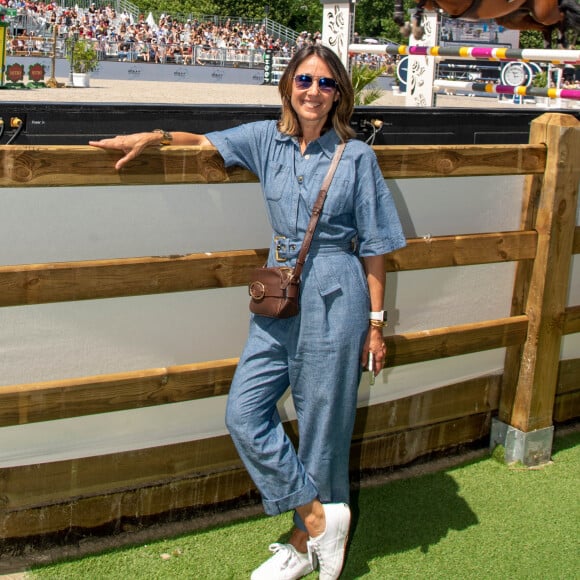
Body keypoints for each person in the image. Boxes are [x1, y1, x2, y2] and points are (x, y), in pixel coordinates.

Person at [89, 44, 406, 580]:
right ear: (288, 86)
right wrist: (154, 136)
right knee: (243, 411)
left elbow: (375, 247)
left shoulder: (358, 158)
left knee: (324, 426)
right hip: (277, 292)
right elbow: (203, 140)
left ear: (338, 96)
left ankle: (306, 546)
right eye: (304, 80)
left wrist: (376, 326)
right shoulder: (266, 139)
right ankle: (318, 516)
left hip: (337, 294)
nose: (313, 91)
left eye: (326, 84)